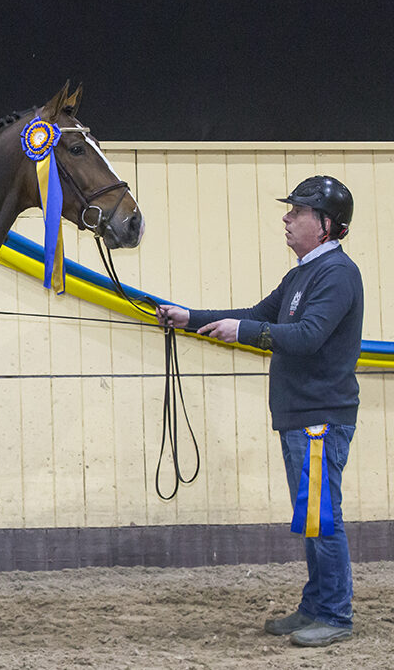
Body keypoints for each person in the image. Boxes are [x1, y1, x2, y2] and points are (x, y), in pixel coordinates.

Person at [157, 175, 362, 648]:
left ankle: (334, 613)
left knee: (321, 518)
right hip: (302, 416)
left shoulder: (337, 274)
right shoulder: (302, 274)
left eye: (299, 213)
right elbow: (259, 313)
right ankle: (317, 605)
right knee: (313, 517)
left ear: (326, 225)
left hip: (319, 417)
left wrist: (242, 331)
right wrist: (192, 318)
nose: (287, 219)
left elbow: (307, 336)